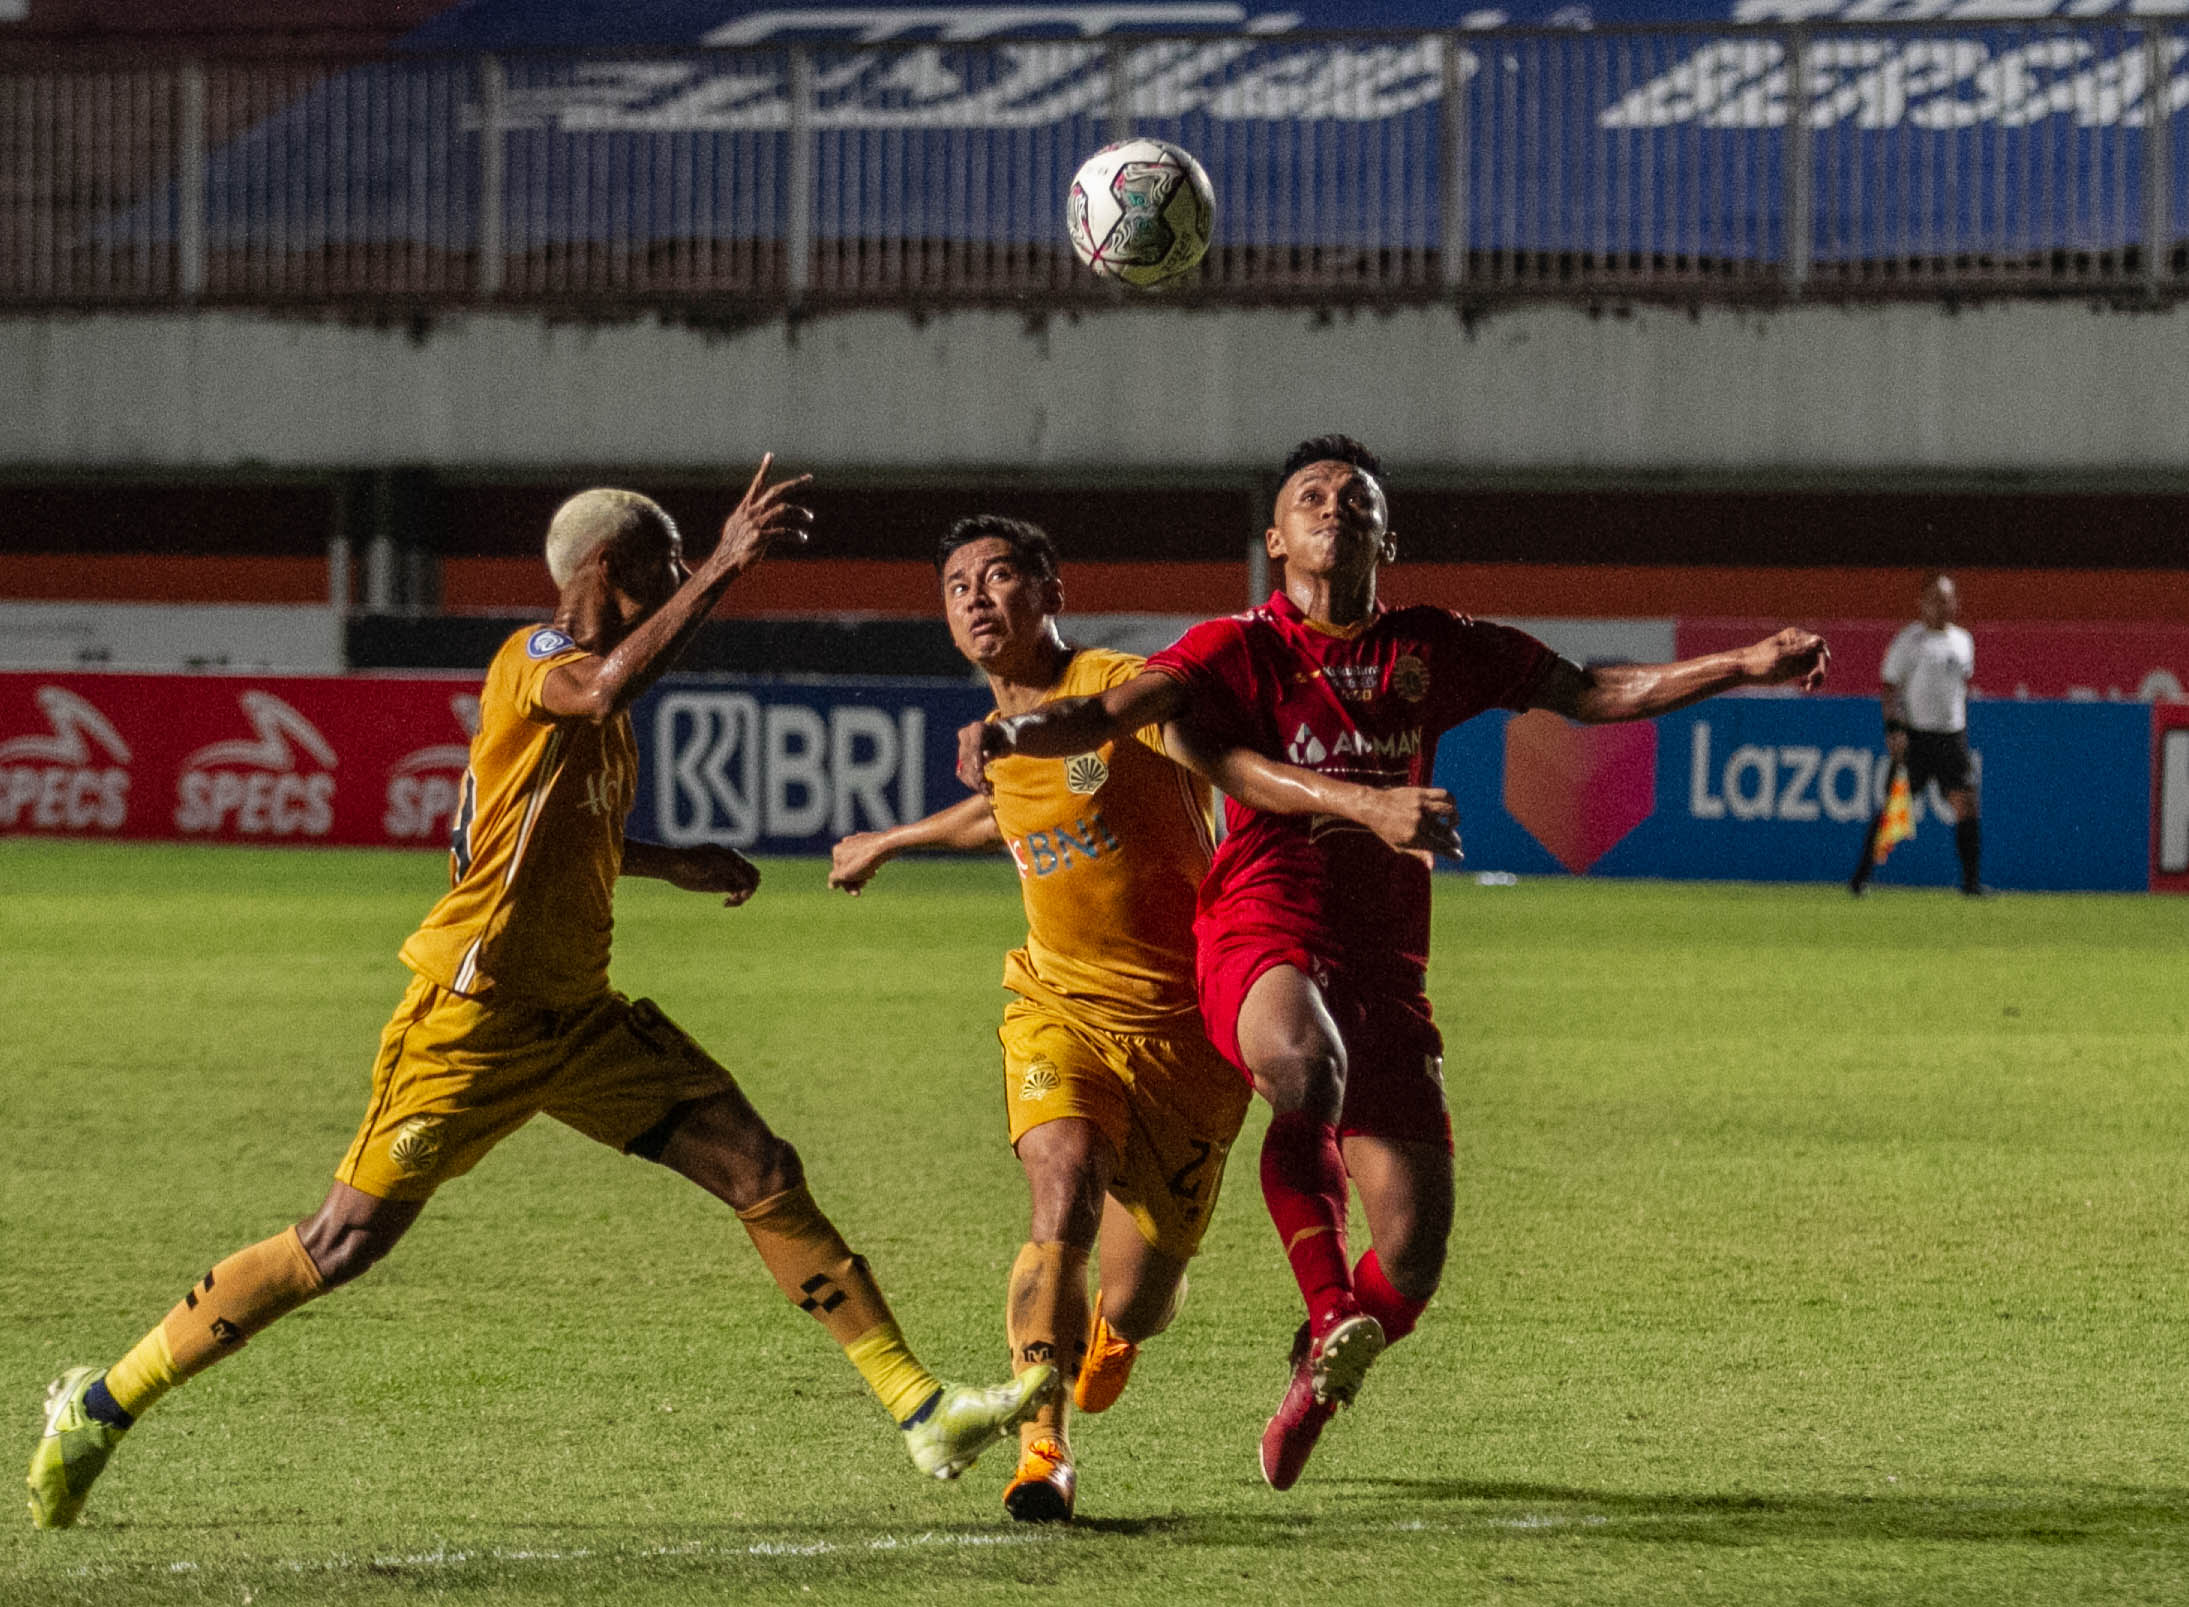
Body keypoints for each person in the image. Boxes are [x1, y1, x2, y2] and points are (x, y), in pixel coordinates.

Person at [27, 460, 1054, 1530]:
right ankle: (98, 1408)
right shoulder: (538, 659)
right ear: (609, 566)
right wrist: (726, 566)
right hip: (473, 1021)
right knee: (341, 1243)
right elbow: (604, 688)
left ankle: (917, 1406)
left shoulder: (587, 699)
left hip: (578, 1017)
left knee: (759, 1166)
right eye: (662, 564)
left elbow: (534, 837)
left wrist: (671, 861)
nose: (674, 582)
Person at [959, 435, 1829, 1490]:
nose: (1335, 505)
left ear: (1386, 533)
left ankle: (1313, 1374)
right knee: (1297, 1067)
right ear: (1274, 538)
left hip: (1385, 956)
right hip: (1261, 917)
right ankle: (1321, 1311)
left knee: (1413, 1255)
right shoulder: (1235, 649)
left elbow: (1591, 691)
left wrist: (1736, 665)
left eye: (1354, 496)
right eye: (1311, 496)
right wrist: (1018, 733)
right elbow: (1105, 712)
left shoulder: (1434, 646)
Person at [828, 516, 1457, 1522]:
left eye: (1000, 577)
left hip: (1190, 1036)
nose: (978, 599)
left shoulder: (1126, 687)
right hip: (1059, 1005)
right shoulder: (1002, 736)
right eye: (957, 586)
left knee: (1137, 1301)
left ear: (1052, 590)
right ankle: (1043, 1451)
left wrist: (1360, 810)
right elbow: (1008, 807)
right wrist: (895, 840)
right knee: (1061, 1188)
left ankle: (1111, 1331)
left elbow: (1234, 764)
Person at [1851, 574, 1983, 896]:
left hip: (1951, 738)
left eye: (1948, 598)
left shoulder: (1963, 641)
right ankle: (1860, 878)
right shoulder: (1910, 641)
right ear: (1923, 603)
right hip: (1917, 739)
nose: (1943, 605)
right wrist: (1894, 728)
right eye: (1937, 598)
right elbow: (1890, 689)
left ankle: (1970, 884)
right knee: (1892, 807)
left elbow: (1959, 687)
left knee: (1966, 805)